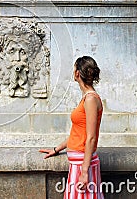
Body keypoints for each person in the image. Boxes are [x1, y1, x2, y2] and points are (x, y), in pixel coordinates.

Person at [40, 56, 104, 198]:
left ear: (77, 74)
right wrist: (56, 149)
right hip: (78, 162)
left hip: (82, 163)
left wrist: (85, 172)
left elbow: (91, 138)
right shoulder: (87, 98)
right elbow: (78, 134)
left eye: (74, 69)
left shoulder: (90, 99)